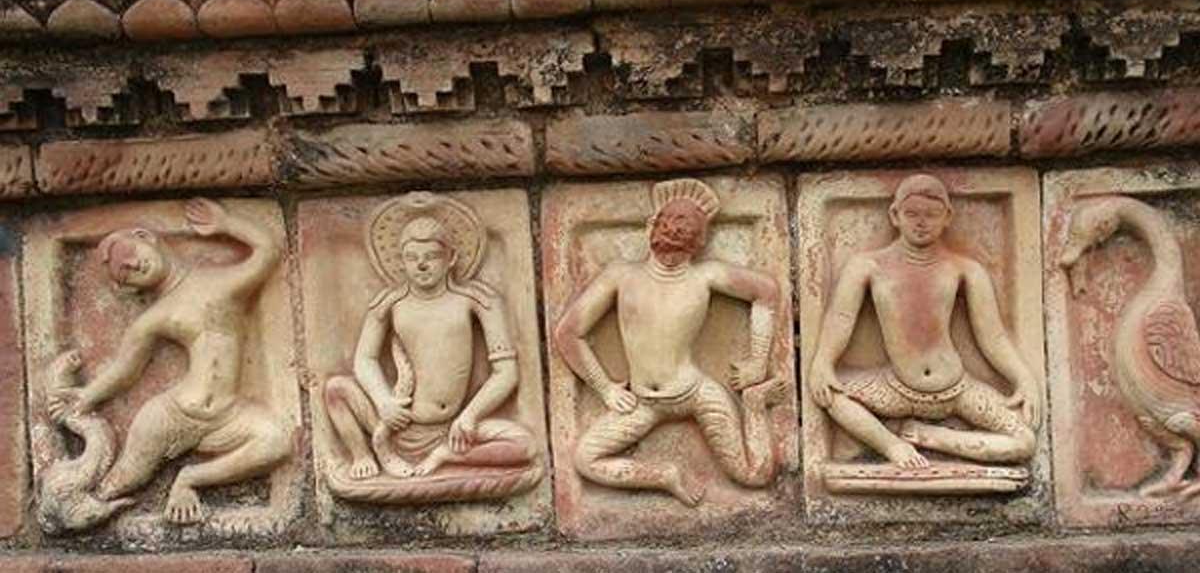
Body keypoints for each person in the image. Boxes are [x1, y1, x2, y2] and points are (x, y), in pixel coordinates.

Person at [48, 198, 291, 524]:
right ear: (128, 290)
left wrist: (226, 224)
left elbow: (268, 252)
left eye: (129, 256)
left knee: (276, 442)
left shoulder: (221, 283)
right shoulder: (155, 318)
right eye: (125, 273)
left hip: (228, 413)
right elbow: (125, 369)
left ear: (146, 237)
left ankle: (190, 478)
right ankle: (68, 509)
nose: (133, 267)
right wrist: (85, 396)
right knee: (122, 480)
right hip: (172, 415)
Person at [554, 179, 787, 507]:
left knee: (756, 474)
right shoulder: (621, 276)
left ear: (700, 239)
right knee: (584, 459)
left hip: (695, 392)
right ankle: (664, 475)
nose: (674, 228)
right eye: (669, 219)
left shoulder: (705, 276)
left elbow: (766, 291)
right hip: (642, 402)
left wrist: (759, 361)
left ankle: (754, 404)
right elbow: (568, 333)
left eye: (685, 222)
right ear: (651, 225)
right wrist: (604, 388)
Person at [807, 174, 1039, 469]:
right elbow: (840, 319)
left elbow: (993, 337)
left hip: (957, 390)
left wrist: (1024, 378)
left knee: (1024, 442)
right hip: (896, 389)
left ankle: (933, 438)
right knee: (831, 397)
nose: (921, 222)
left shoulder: (965, 269)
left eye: (931, 215)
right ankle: (892, 444)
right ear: (895, 215)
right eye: (912, 214)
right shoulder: (868, 266)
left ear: (947, 217)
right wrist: (823, 362)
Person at [324, 207, 536, 482]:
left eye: (432, 256)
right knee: (336, 389)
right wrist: (384, 402)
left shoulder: (479, 301)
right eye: (412, 258)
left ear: (451, 258)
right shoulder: (388, 304)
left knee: (526, 445)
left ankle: (445, 456)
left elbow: (506, 372)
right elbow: (365, 359)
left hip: (455, 429)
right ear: (401, 261)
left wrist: (470, 416)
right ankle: (364, 454)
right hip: (398, 426)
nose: (422, 265)